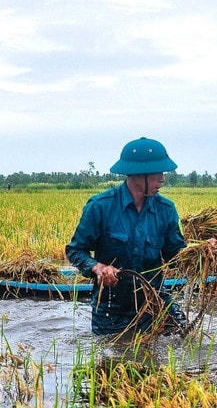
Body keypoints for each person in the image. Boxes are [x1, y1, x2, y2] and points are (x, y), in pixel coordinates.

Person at [66, 137, 186, 335]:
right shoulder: (100, 207)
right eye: (158, 173)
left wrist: (203, 252)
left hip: (154, 303)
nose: (162, 179)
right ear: (139, 175)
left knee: (183, 342)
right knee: (114, 361)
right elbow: (75, 250)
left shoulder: (166, 209)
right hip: (111, 309)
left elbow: (175, 255)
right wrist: (98, 268)